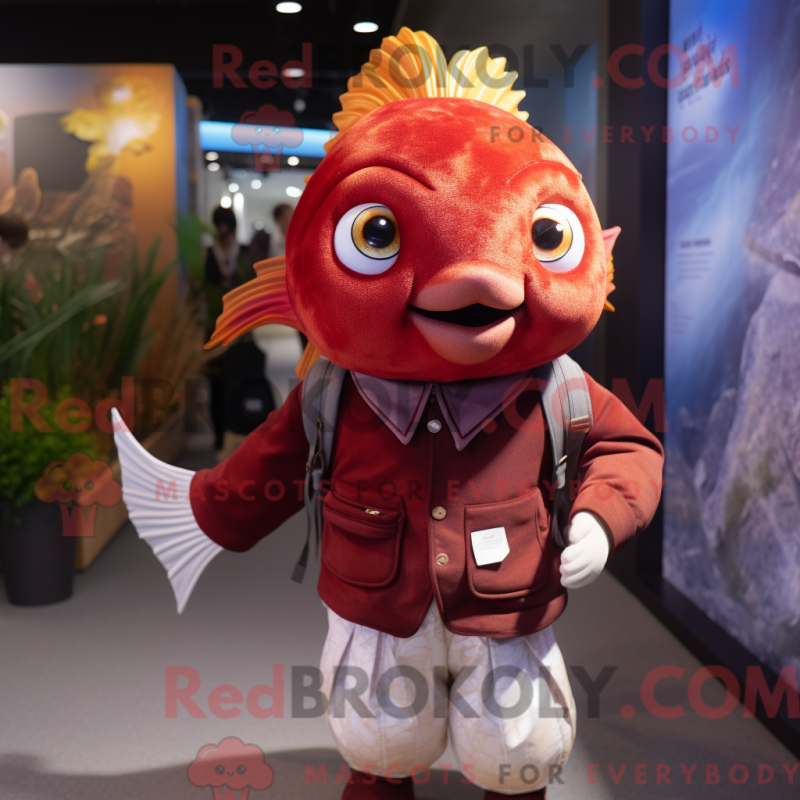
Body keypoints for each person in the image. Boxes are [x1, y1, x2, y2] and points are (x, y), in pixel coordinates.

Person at [204, 206, 256, 452]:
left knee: (241, 381)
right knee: (216, 385)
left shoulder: (245, 254)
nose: (223, 232)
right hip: (214, 330)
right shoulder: (207, 254)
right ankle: (219, 435)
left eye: (226, 227)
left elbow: (254, 289)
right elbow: (198, 290)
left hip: (242, 329)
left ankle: (241, 431)